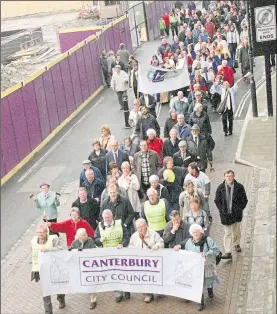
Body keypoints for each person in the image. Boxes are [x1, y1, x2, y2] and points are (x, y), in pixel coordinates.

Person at [174, 224, 221, 311]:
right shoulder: (188, 243)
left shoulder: (207, 240)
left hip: (207, 266)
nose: (196, 234)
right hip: (196, 269)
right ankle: (201, 302)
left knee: (209, 280)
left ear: (201, 232)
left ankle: (210, 289)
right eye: (194, 232)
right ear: (191, 234)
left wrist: (206, 254)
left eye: (197, 232)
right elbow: (187, 255)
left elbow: (216, 250)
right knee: (198, 285)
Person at [94, 209, 130, 303]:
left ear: (112, 216)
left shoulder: (119, 224)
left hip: (120, 253)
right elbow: (95, 238)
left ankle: (126, 290)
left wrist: (122, 244)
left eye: (108, 217)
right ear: (103, 218)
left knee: (124, 272)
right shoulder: (100, 227)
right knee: (114, 274)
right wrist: (99, 240)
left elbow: (126, 235)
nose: (107, 219)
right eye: (105, 218)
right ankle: (118, 294)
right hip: (108, 256)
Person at [31, 224, 65, 313]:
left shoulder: (54, 239)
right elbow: (33, 255)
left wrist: (49, 249)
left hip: (54, 268)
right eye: (38, 232)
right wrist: (34, 268)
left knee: (57, 287)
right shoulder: (34, 241)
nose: (40, 234)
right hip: (42, 270)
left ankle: (61, 299)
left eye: (42, 232)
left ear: (46, 232)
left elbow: (61, 249)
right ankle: (48, 311)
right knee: (45, 292)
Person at [128, 218, 164, 303]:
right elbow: (130, 245)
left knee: (153, 277)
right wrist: (133, 249)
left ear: (146, 226)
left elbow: (161, 242)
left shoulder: (153, 234)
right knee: (143, 278)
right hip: (140, 262)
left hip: (152, 261)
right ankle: (147, 294)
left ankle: (156, 291)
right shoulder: (134, 236)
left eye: (141, 227)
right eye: (138, 227)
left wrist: (157, 245)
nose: (140, 229)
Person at [214, 170, 248, 259]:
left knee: (236, 231)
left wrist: (239, 209)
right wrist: (222, 210)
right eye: (227, 176)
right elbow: (217, 201)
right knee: (227, 233)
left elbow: (244, 200)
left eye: (230, 176)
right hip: (226, 215)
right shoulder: (220, 188)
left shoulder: (239, 187)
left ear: (233, 177)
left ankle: (236, 243)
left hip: (236, 215)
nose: (229, 178)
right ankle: (228, 252)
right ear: (224, 177)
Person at [71, 228, 97, 309]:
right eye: (84, 235)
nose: (86, 235)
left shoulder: (90, 241)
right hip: (80, 267)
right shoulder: (74, 243)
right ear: (79, 237)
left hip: (89, 267)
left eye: (86, 233)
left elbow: (94, 252)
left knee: (90, 282)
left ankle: (93, 300)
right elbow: (71, 254)